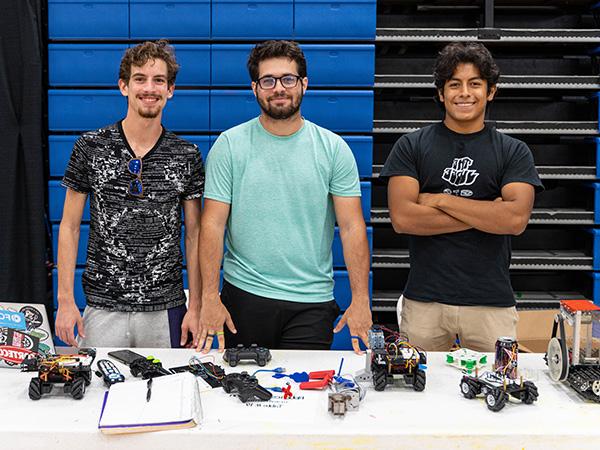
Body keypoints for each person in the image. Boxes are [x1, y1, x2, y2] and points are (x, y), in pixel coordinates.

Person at [198, 40, 372, 354]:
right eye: (268, 80)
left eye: (288, 79)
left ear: (304, 83)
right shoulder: (230, 145)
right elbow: (212, 225)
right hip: (245, 297)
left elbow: (352, 228)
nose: (279, 88)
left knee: (305, 398)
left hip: (312, 302)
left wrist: (361, 299)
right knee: (241, 397)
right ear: (255, 88)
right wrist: (210, 297)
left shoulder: (333, 149)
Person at [380, 42, 543, 352]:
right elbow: (403, 219)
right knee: (416, 394)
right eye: (454, 84)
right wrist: (487, 214)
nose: (464, 93)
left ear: (491, 91)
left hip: (491, 305)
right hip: (424, 303)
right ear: (441, 93)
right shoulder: (410, 146)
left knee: (497, 391)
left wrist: (441, 200)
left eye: (475, 84)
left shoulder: (513, 151)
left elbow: (514, 220)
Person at [55, 40, 203, 348]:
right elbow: (69, 227)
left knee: (165, 393)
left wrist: (198, 305)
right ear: (124, 86)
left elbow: (195, 235)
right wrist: (66, 301)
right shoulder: (91, 147)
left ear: (170, 90)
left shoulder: (186, 155)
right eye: (140, 79)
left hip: (166, 309)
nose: (149, 88)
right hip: (102, 306)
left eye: (159, 80)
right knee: (96, 392)